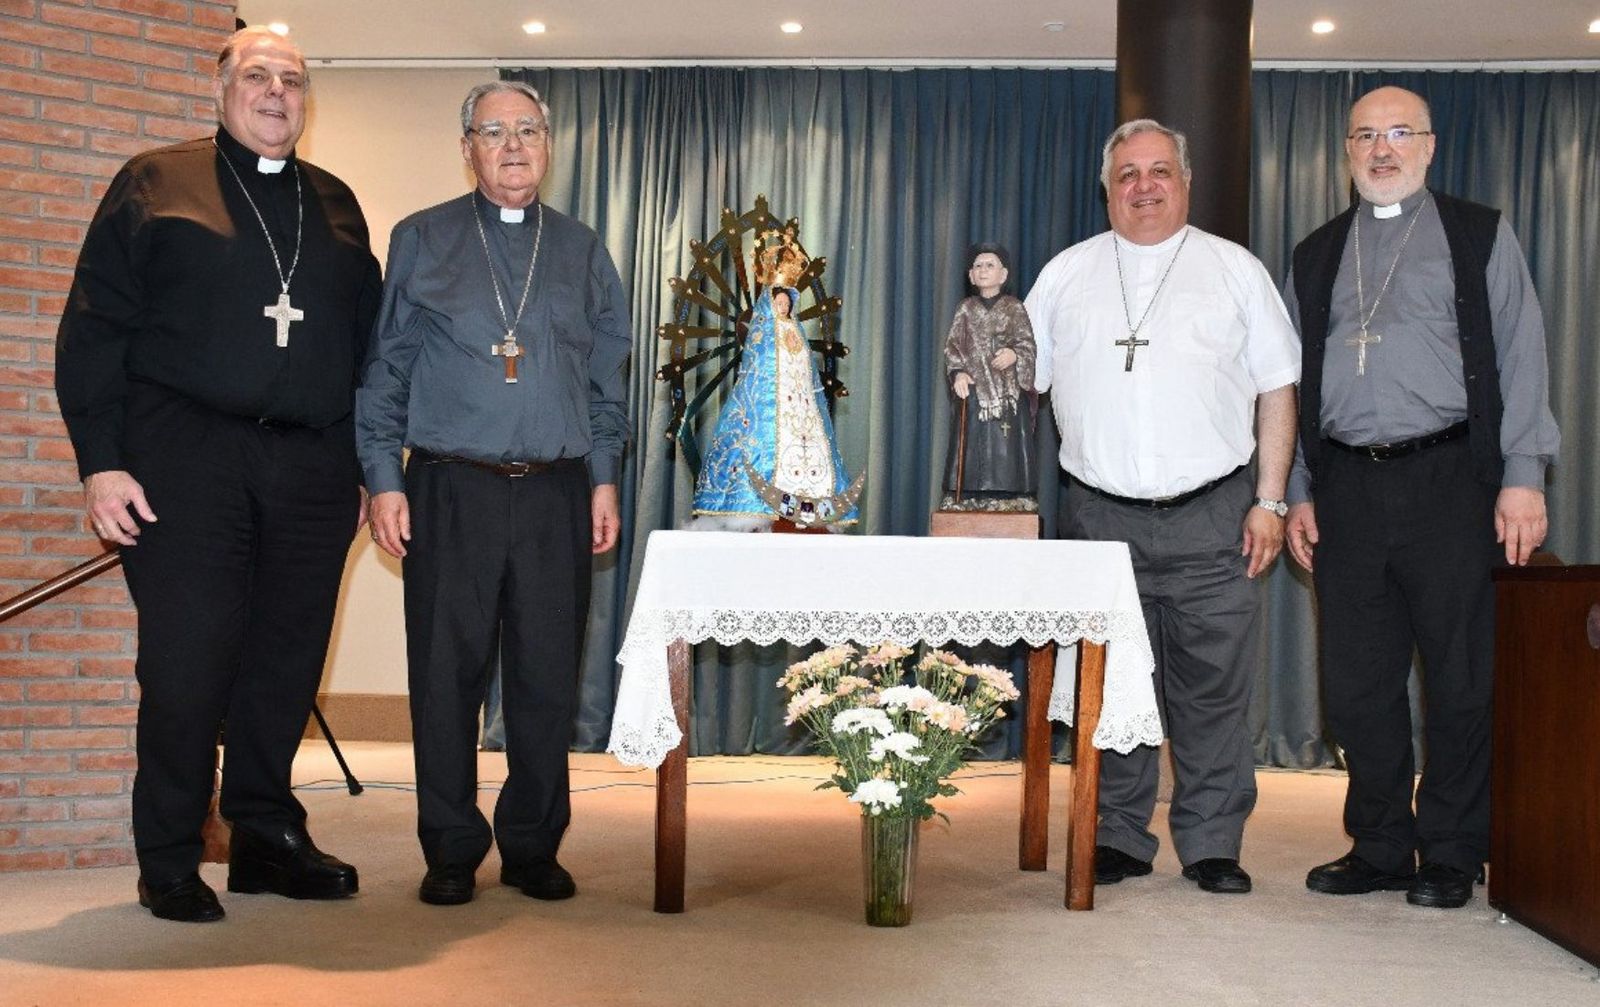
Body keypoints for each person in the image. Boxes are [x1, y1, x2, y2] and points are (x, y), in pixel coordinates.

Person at [53, 27, 379, 923]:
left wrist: (359, 464)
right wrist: (101, 462)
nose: (276, 92)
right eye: (257, 76)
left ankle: (266, 834)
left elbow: (365, 348)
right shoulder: (156, 180)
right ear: (221, 88)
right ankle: (167, 853)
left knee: (285, 660)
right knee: (189, 661)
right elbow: (94, 329)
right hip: (184, 455)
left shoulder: (337, 202)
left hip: (313, 460)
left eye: (293, 79)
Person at [356, 81, 631, 907]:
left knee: (547, 676)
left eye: (528, 131)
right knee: (446, 678)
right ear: (466, 146)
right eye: (493, 132)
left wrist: (605, 476)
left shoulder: (582, 250)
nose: (513, 147)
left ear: (549, 143)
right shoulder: (422, 239)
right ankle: (448, 848)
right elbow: (385, 370)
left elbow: (606, 382)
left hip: (555, 491)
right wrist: (382, 477)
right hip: (448, 487)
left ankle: (532, 844)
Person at [1284, 86, 1559, 910]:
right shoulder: (1316, 253)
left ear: (1431, 146)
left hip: (1451, 482)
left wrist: (1524, 475)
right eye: (1364, 135)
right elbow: (1292, 384)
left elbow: (1523, 354)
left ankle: (1450, 848)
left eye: (1399, 133)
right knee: (1356, 682)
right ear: (1346, 151)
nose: (1381, 148)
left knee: (1460, 676)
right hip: (1345, 487)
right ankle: (1378, 842)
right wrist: (1297, 486)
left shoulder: (1479, 234)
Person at [1025, 119, 1300, 895]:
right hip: (1099, 516)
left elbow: (1278, 388)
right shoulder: (1066, 275)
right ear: (1106, 188)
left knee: (1213, 686)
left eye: (1158, 172)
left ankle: (1212, 841)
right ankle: (1117, 832)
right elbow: (1019, 385)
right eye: (1126, 175)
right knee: (1110, 685)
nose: (1143, 187)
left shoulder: (1235, 271)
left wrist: (1271, 500)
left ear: (1185, 181)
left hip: (1216, 511)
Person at [690, 243, 859, 529]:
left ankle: (806, 506)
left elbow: (804, 362)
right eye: (779, 303)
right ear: (771, 304)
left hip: (800, 404)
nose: (783, 307)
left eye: (787, 304)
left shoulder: (796, 330)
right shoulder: (763, 331)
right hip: (767, 403)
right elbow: (759, 363)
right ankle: (755, 506)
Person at [940, 243, 1037, 509]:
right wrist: (958, 373)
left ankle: (1010, 492)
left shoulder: (1014, 308)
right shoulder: (965, 309)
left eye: (990, 265)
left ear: (1003, 274)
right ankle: (968, 492)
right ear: (970, 275)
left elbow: (1027, 343)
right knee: (971, 444)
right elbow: (953, 347)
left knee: (1007, 446)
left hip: (1006, 392)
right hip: (974, 392)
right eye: (978, 266)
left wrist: (1015, 355)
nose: (983, 270)